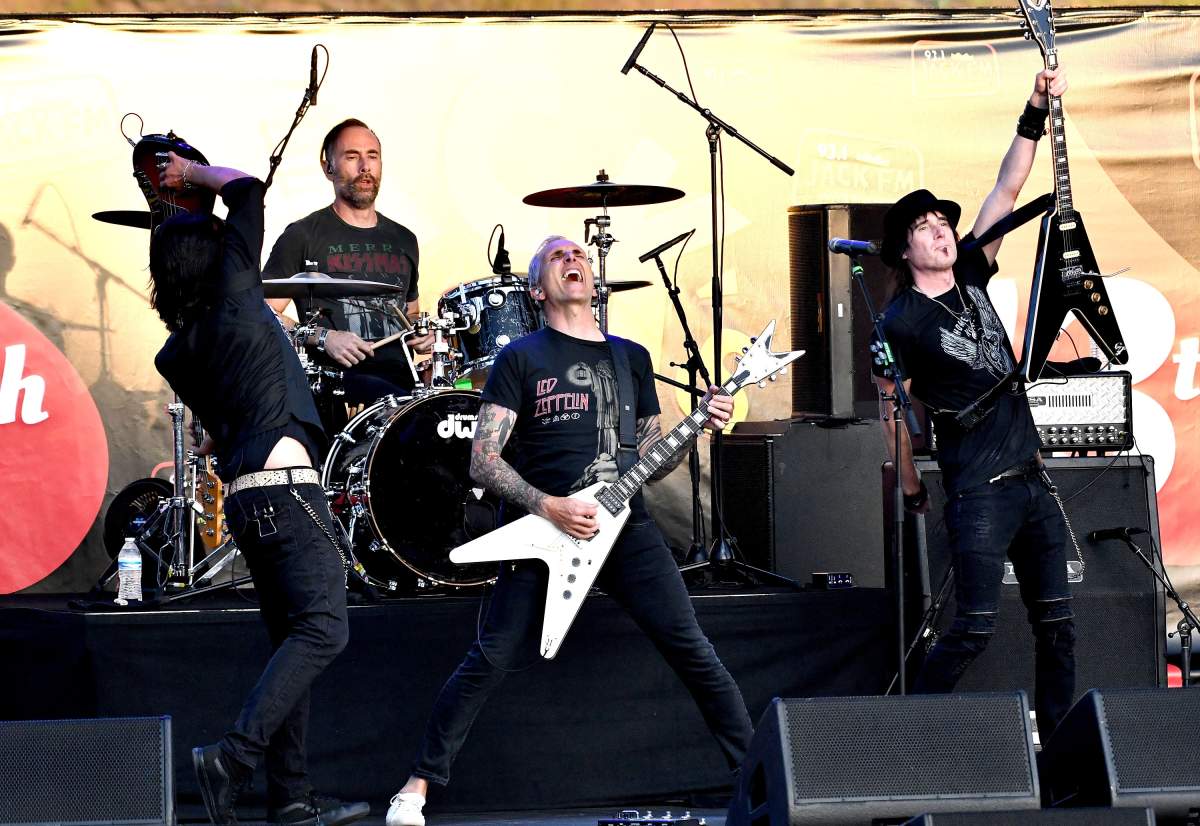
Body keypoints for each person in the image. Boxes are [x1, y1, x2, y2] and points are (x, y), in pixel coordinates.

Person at [384, 236, 754, 826]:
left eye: (579, 254)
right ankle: (416, 786)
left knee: (693, 650)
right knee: (493, 655)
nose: (573, 260)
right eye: (557, 257)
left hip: (625, 527)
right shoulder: (520, 358)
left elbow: (651, 459)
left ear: (593, 279)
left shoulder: (631, 358)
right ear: (536, 290)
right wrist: (549, 506)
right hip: (541, 530)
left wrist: (697, 428)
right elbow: (483, 461)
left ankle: (760, 783)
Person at [149, 152, 367, 826]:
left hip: (247, 499)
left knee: (293, 640)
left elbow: (215, 435)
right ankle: (232, 758)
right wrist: (191, 174)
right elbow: (245, 189)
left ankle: (290, 799)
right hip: (285, 490)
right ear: (215, 258)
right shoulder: (239, 292)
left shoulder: (175, 353)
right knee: (325, 629)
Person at [873, 68, 1076, 739]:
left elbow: (1007, 188)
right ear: (905, 249)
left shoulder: (971, 269)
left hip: (1032, 477)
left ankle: (1063, 754)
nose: (941, 232)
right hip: (979, 488)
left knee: (1058, 624)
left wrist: (1035, 105)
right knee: (974, 628)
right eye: (926, 227)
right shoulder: (899, 322)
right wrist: (910, 485)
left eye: (942, 222)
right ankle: (913, 739)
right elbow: (892, 413)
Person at [264, 118, 432, 408]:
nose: (365, 167)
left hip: (399, 393)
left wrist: (421, 332)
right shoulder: (302, 235)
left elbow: (410, 312)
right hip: (334, 391)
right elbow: (263, 311)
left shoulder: (404, 239)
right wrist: (323, 338)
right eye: (352, 157)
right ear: (328, 168)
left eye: (372, 156)